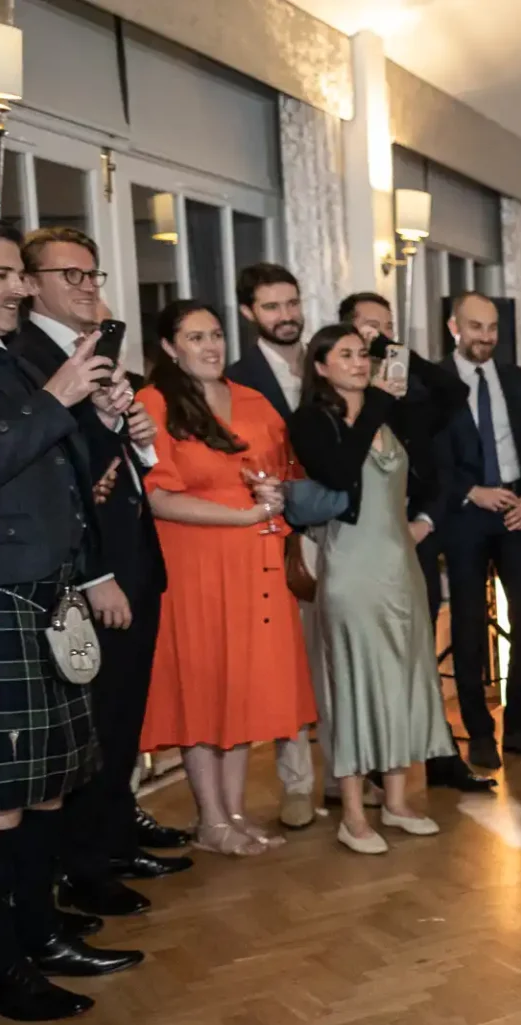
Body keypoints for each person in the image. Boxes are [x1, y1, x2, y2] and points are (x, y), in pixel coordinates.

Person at [11, 227, 189, 919]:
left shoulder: (100, 354)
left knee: (121, 716)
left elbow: (113, 458)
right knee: (95, 723)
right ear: (32, 285)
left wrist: (140, 441)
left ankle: (112, 837)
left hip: (133, 554)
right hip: (89, 570)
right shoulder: (30, 359)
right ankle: (84, 865)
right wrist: (96, 575)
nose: (89, 287)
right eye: (72, 276)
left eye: (93, 274)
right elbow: (63, 476)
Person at [0, 223, 145, 1021]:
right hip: (4, 598)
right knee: (4, 800)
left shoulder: (14, 360)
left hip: (48, 593)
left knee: (51, 784)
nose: (17, 289)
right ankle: (7, 965)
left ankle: (42, 932)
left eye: (19, 275)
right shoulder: (27, 372)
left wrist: (107, 420)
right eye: (3, 276)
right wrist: (58, 398)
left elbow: (64, 464)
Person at [136, 300, 318, 855]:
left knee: (241, 690)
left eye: (215, 334)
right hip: (194, 564)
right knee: (202, 690)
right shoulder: (154, 403)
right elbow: (158, 495)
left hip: (255, 560)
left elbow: (290, 469)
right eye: (194, 337)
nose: (210, 346)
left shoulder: (253, 399)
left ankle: (234, 812)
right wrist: (243, 514)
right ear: (169, 347)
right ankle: (210, 819)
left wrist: (272, 497)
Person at [286, 325, 450, 853]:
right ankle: (353, 813)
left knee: (404, 673)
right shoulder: (313, 420)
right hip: (351, 565)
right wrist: (374, 404)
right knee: (354, 682)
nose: (359, 363)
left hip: (400, 562)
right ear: (320, 366)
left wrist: (401, 355)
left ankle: (398, 801)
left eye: (365, 354)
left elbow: (450, 400)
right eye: (347, 355)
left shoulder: (391, 411)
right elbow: (336, 471)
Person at [336, 291, 495, 795]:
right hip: (360, 546)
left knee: (421, 651)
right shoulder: (333, 405)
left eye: (386, 326)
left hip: (416, 536)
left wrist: (427, 519)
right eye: (366, 328)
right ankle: (374, 766)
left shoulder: (410, 396)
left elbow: (453, 391)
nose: (377, 336)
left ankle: (439, 754)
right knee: (375, 658)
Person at [432, 291, 521, 770]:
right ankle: (479, 731)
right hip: (465, 515)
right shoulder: (434, 382)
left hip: (517, 514)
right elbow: (430, 456)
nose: (485, 337)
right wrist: (471, 491)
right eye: (476, 327)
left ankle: (520, 727)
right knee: (467, 624)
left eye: (492, 328)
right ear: (454, 326)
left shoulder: (517, 380)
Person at [225, 263, 323, 829]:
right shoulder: (236, 378)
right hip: (276, 540)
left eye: (291, 303)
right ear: (249, 313)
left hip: (344, 528)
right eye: (271, 307)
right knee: (295, 663)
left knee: (338, 662)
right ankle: (297, 783)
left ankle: (346, 775)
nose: (286, 315)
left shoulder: (332, 361)